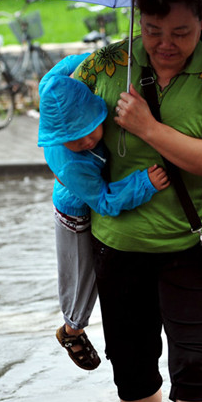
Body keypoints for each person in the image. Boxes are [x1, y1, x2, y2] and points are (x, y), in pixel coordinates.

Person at [74, 0, 202, 402]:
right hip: (118, 248)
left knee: (194, 367)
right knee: (131, 367)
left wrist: (149, 129)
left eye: (181, 33)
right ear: (137, 20)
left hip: (192, 247)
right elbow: (57, 132)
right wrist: (83, 141)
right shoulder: (106, 66)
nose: (165, 43)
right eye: (152, 31)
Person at [38, 54, 170, 371]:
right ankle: (72, 330)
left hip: (89, 193)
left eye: (89, 130)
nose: (86, 141)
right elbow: (104, 202)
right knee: (82, 278)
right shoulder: (73, 164)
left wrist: (106, 57)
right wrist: (144, 183)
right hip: (74, 210)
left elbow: (61, 69)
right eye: (72, 139)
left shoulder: (52, 88)